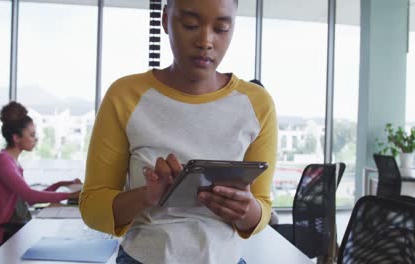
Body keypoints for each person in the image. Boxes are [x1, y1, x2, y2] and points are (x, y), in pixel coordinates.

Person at [80, 0, 277, 263]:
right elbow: (92, 207)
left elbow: (261, 209)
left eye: (221, 29)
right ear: (165, 20)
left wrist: (246, 208)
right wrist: (147, 196)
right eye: (191, 25)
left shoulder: (257, 103)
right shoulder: (125, 96)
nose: (206, 41)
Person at [0, 101, 81, 250]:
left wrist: (60, 184)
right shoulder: (2, 161)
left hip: (11, 227)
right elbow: (30, 196)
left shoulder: (11, 161)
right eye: (31, 135)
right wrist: (69, 196)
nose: (35, 139)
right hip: (3, 231)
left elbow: (27, 198)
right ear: (16, 137)